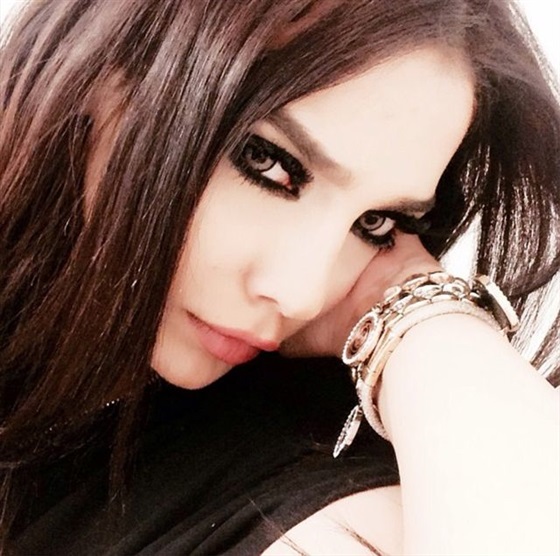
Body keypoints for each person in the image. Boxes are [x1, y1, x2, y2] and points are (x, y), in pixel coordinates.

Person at [1, 0, 559, 553]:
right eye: (267, 162)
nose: (301, 294)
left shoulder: (291, 501)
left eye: (375, 222)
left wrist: (421, 312)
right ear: (101, 71)